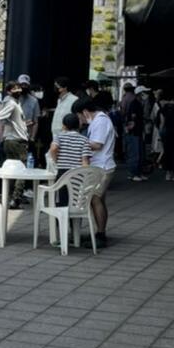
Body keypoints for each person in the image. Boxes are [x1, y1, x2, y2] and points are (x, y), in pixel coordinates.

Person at [77, 95, 114, 247]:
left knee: (95, 199)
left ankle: (101, 235)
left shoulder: (100, 121)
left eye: (79, 116)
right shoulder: (98, 120)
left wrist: (78, 141)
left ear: (85, 112)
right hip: (99, 165)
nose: (80, 120)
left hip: (102, 166)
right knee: (98, 200)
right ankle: (99, 231)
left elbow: (97, 145)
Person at [120, 84, 147, 182]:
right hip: (134, 132)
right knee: (135, 154)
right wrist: (130, 128)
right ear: (140, 94)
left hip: (136, 131)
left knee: (138, 153)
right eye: (144, 93)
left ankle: (138, 173)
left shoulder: (136, 103)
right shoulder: (135, 104)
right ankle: (133, 173)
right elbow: (132, 119)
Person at [16, 75, 40, 149]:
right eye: (21, 84)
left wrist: (32, 138)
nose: (23, 87)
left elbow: (35, 122)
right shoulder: (11, 99)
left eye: (25, 85)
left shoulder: (34, 101)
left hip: (26, 137)